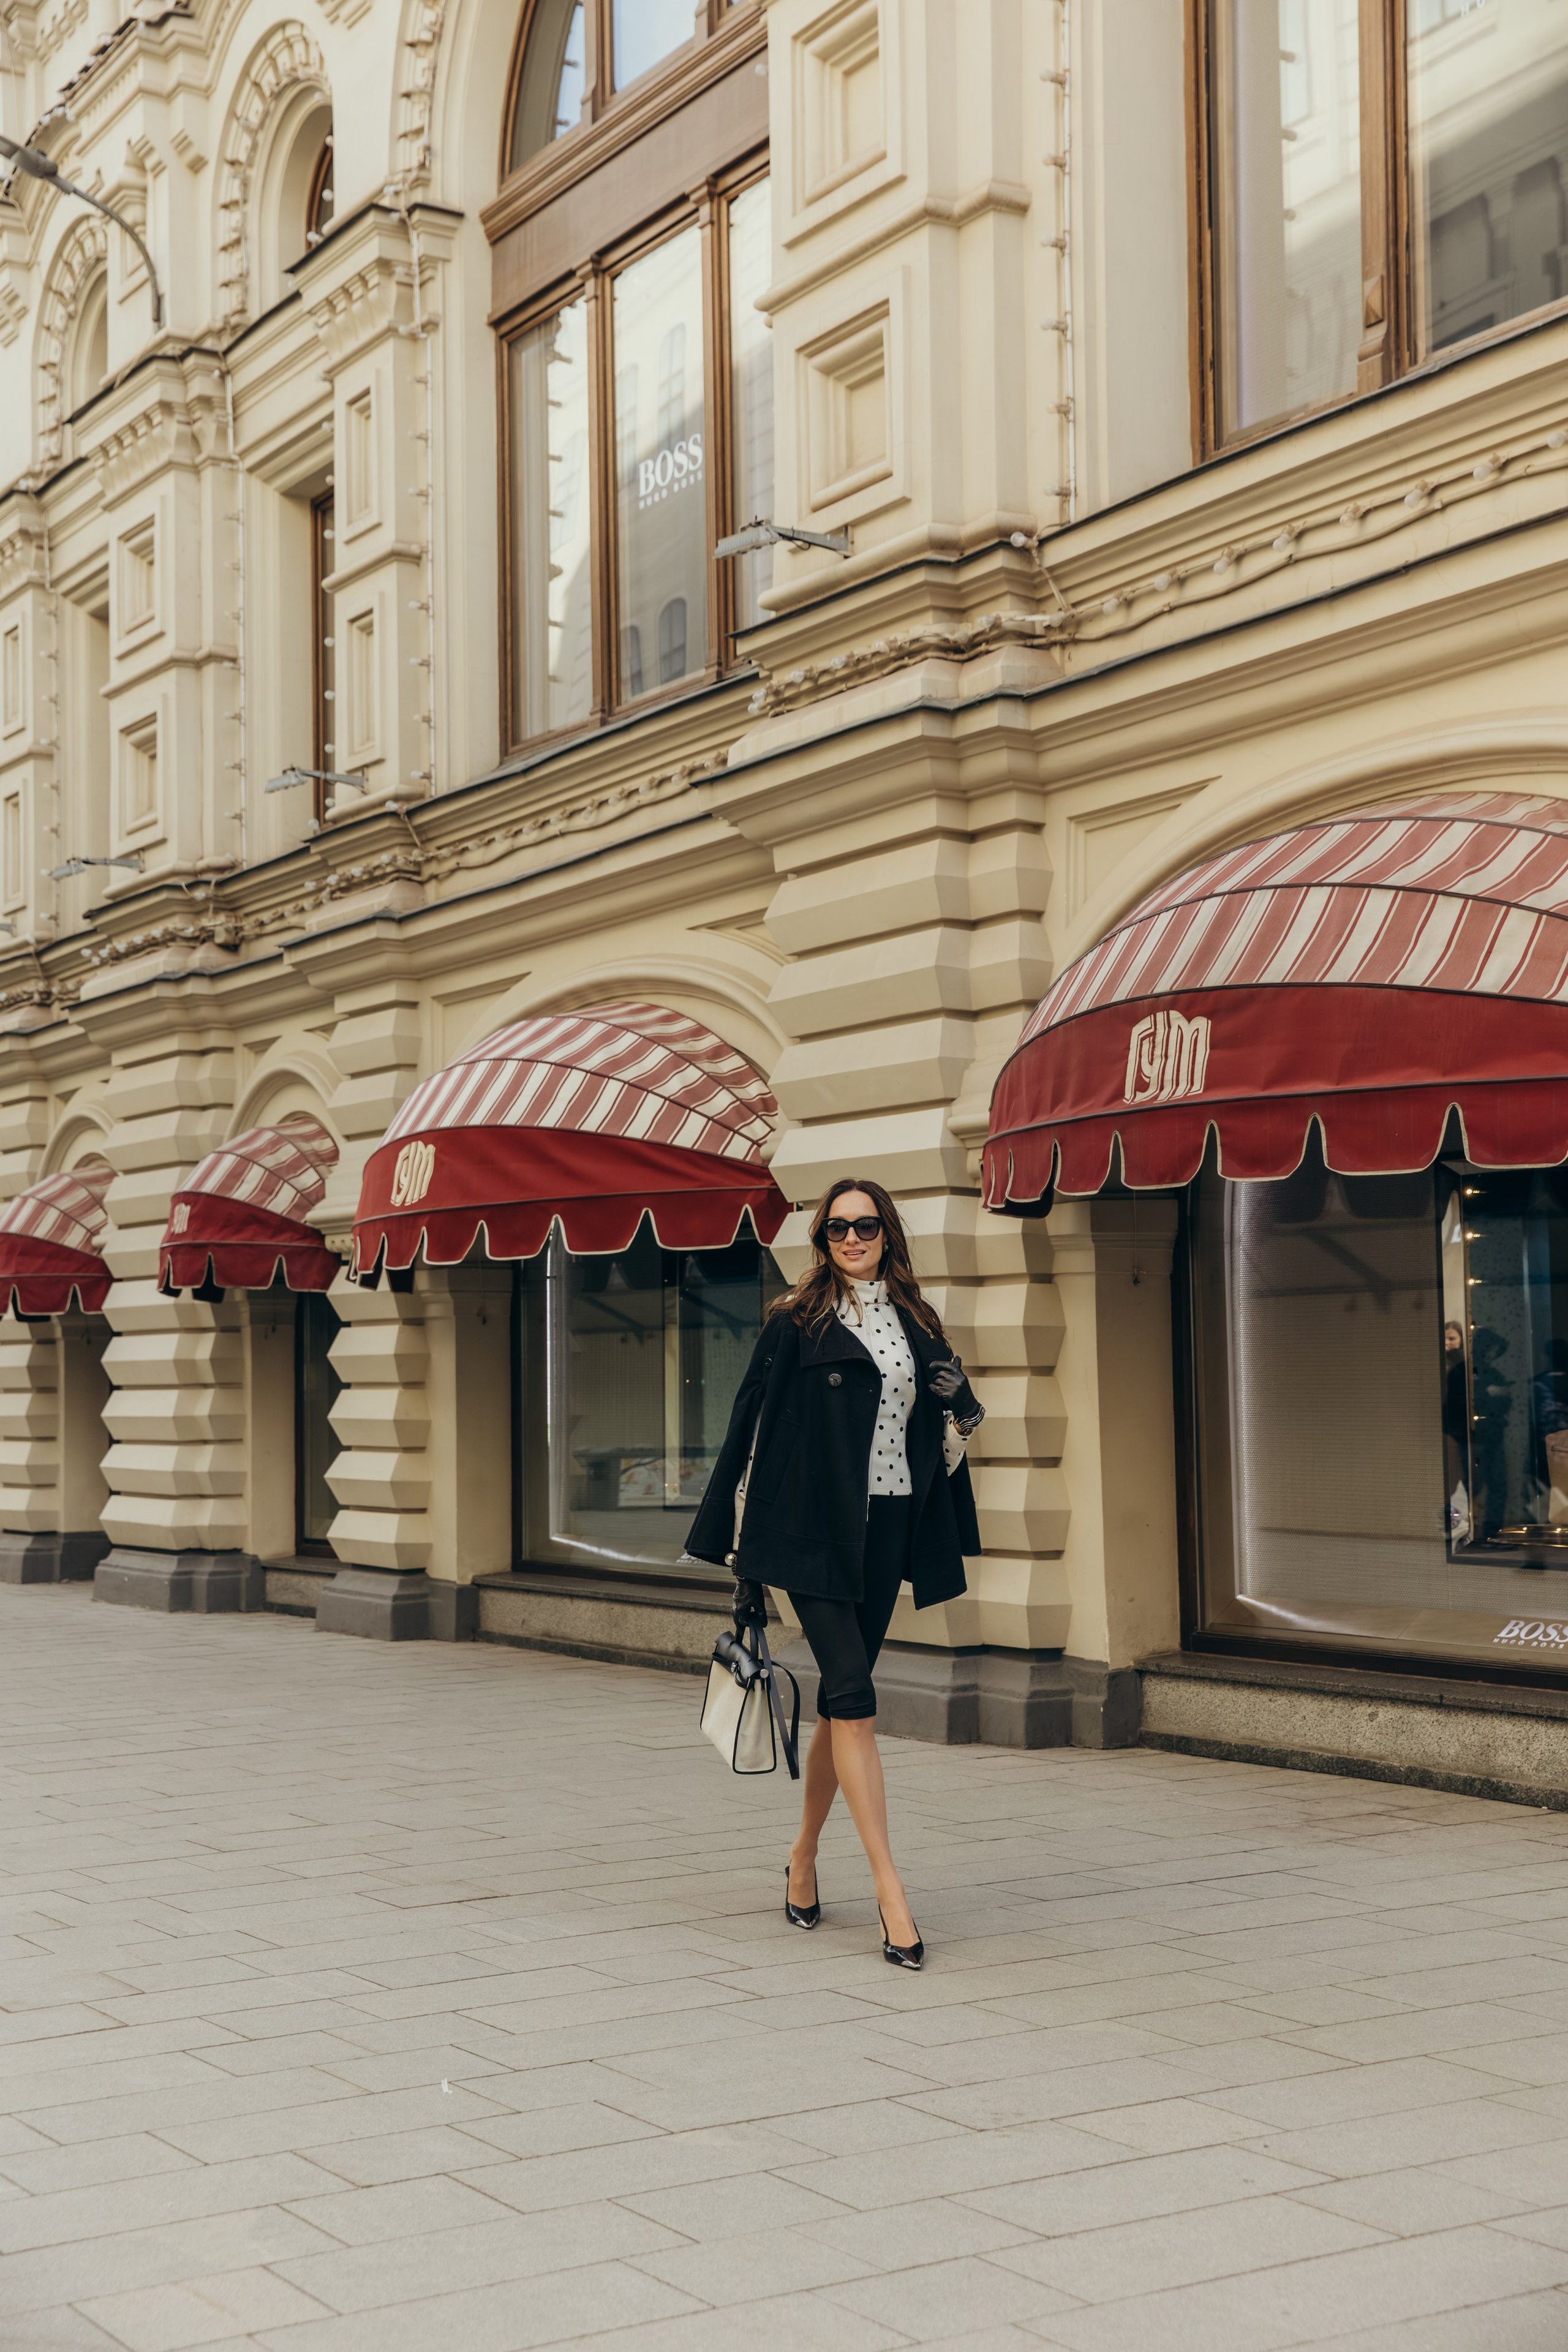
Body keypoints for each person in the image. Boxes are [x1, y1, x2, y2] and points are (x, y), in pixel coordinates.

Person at [686, 1178, 984, 1969]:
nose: (853, 1239)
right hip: (812, 1529)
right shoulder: (796, 1321)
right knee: (855, 1695)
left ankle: (804, 1855)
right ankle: (892, 1893)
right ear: (822, 1240)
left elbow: (943, 1440)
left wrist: (963, 1412)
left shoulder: (918, 1321)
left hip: (890, 1525)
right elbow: (751, 1433)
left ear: (889, 1234)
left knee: (841, 1703)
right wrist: (744, 1560)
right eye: (838, 1228)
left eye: (867, 1226)